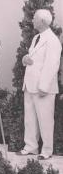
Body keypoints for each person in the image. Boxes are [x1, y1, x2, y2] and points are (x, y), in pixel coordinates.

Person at [17, 9, 61, 160]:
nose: (32, 20)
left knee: (45, 119)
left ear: (42, 21)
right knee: (30, 119)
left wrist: (43, 86)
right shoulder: (37, 37)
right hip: (29, 85)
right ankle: (31, 147)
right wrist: (25, 59)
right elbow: (33, 57)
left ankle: (46, 150)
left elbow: (52, 65)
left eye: (34, 18)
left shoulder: (52, 40)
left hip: (43, 88)